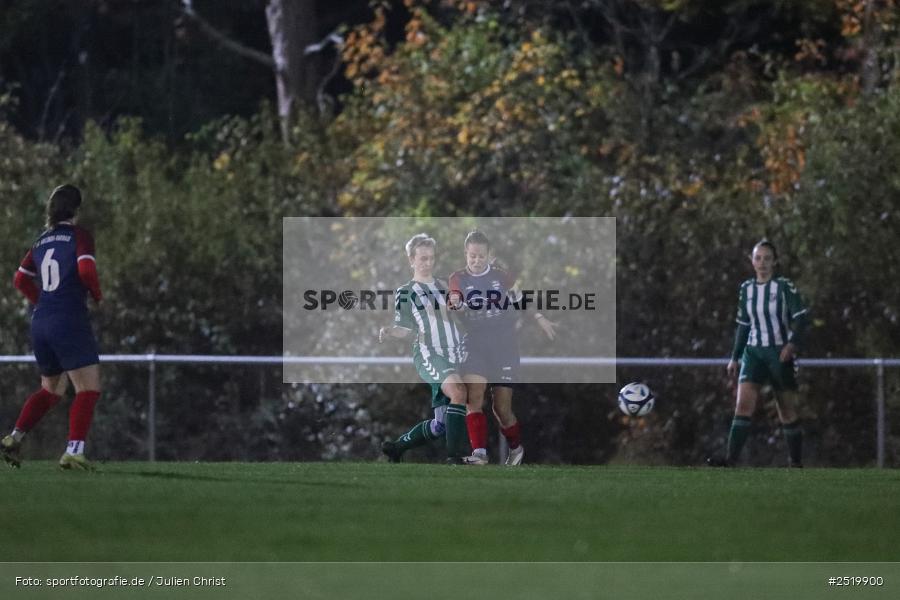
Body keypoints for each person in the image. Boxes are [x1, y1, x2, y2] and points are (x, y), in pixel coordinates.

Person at [1, 184, 103, 471]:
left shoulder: (41, 241)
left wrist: (43, 302)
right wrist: (97, 295)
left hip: (41, 321)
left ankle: (13, 437)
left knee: (51, 389)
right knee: (88, 388)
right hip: (68, 319)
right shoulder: (79, 236)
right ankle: (73, 451)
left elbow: (20, 280)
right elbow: (85, 270)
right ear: (77, 209)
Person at [448, 230, 556, 466]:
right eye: (472, 256)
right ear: (466, 254)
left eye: (481, 256)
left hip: (504, 345)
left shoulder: (501, 277)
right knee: (473, 396)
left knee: (501, 409)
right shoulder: (458, 278)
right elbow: (454, 297)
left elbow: (520, 299)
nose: (476, 261)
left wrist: (539, 317)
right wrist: (455, 303)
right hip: (475, 343)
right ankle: (479, 454)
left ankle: (516, 448)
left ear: (489, 255)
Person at [709, 240, 809, 467]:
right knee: (743, 405)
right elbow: (743, 325)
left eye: (767, 258)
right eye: (758, 258)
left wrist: (791, 345)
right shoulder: (746, 289)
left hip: (778, 353)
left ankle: (796, 463)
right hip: (753, 353)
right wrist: (734, 357)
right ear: (751, 261)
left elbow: (802, 319)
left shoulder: (784, 287)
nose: (762, 263)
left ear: (775, 262)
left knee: (786, 410)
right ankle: (730, 460)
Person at [378, 233, 470, 464]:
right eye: (422, 259)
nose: (428, 263)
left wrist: (460, 307)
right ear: (411, 260)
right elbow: (405, 328)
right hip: (430, 353)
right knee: (459, 392)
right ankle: (456, 457)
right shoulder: (406, 292)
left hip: (455, 352)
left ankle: (397, 448)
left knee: (440, 424)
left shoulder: (444, 285)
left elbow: (462, 311)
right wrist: (390, 331)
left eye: (431, 258)